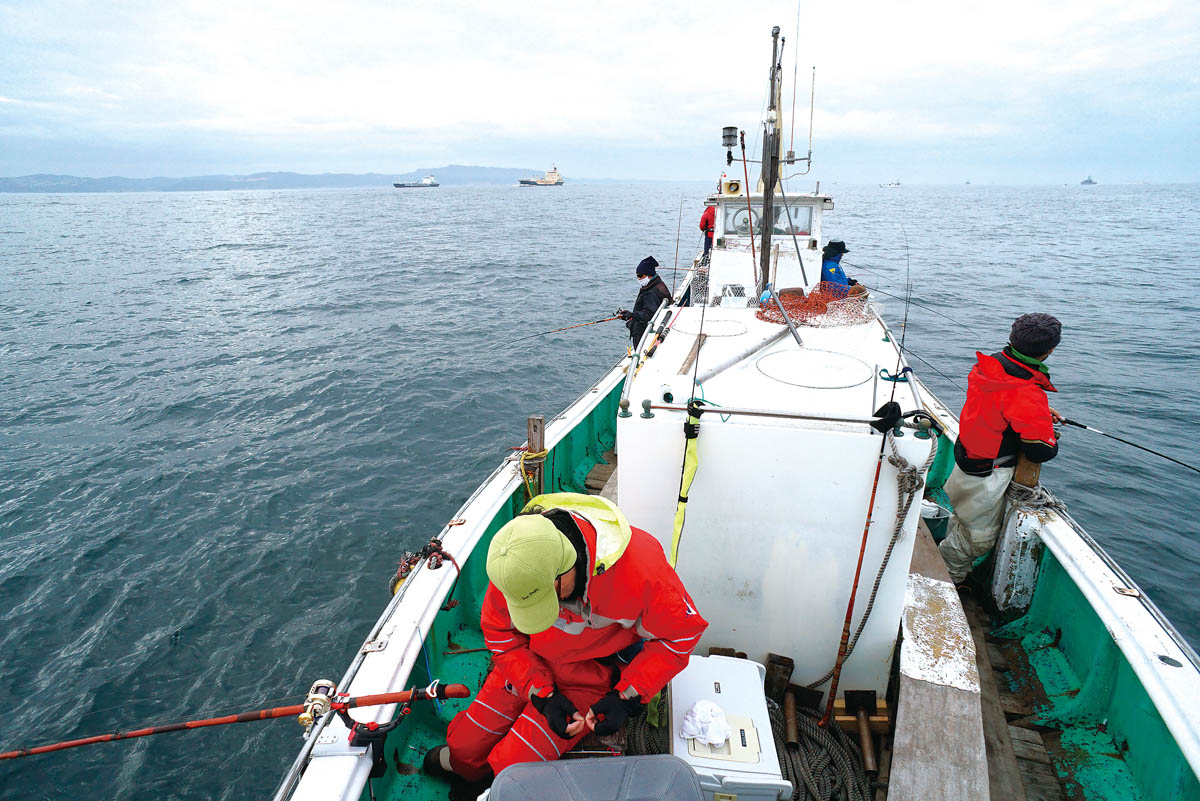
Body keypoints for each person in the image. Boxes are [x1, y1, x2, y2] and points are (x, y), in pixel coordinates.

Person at [425, 493, 707, 785]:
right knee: (464, 747)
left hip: (589, 674)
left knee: (511, 768)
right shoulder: (515, 565)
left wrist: (625, 697)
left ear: (566, 566)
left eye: (551, 599)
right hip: (529, 662)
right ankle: (463, 769)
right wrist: (542, 695)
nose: (553, 612)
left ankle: (493, 787)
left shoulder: (642, 569)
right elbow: (502, 636)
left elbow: (681, 635)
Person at [938, 313, 1064, 584]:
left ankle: (948, 566)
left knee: (964, 521)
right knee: (977, 539)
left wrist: (1038, 412)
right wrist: (1042, 423)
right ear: (1051, 350)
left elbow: (1001, 403)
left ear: (1012, 337)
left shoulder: (994, 364)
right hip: (987, 473)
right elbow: (1039, 451)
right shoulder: (1027, 392)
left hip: (967, 457)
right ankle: (946, 578)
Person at [619, 257, 673, 343]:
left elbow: (648, 314)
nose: (638, 279)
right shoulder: (657, 284)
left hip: (643, 332)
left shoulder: (651, 292)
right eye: (637, 276)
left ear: (649, 275)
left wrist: (632, 315)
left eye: (640, 275)